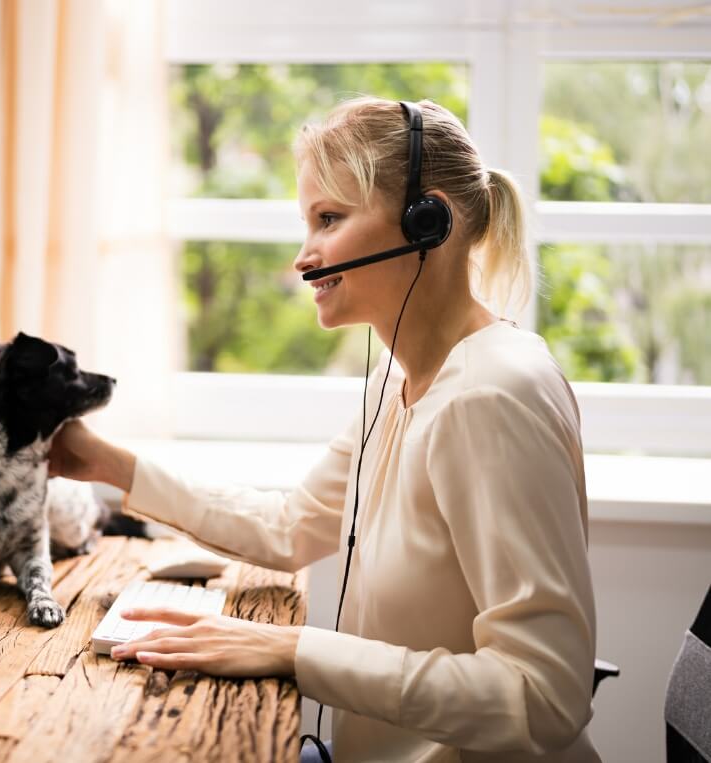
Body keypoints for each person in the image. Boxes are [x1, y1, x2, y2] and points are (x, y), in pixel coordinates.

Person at [49, 98, 598, 761]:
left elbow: (544, 696)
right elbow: (291, 524)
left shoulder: (491, 397)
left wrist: (290, 649)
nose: (305, 255)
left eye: (329, 219)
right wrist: (102, 461)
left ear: (429, 221)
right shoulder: (399, 381)